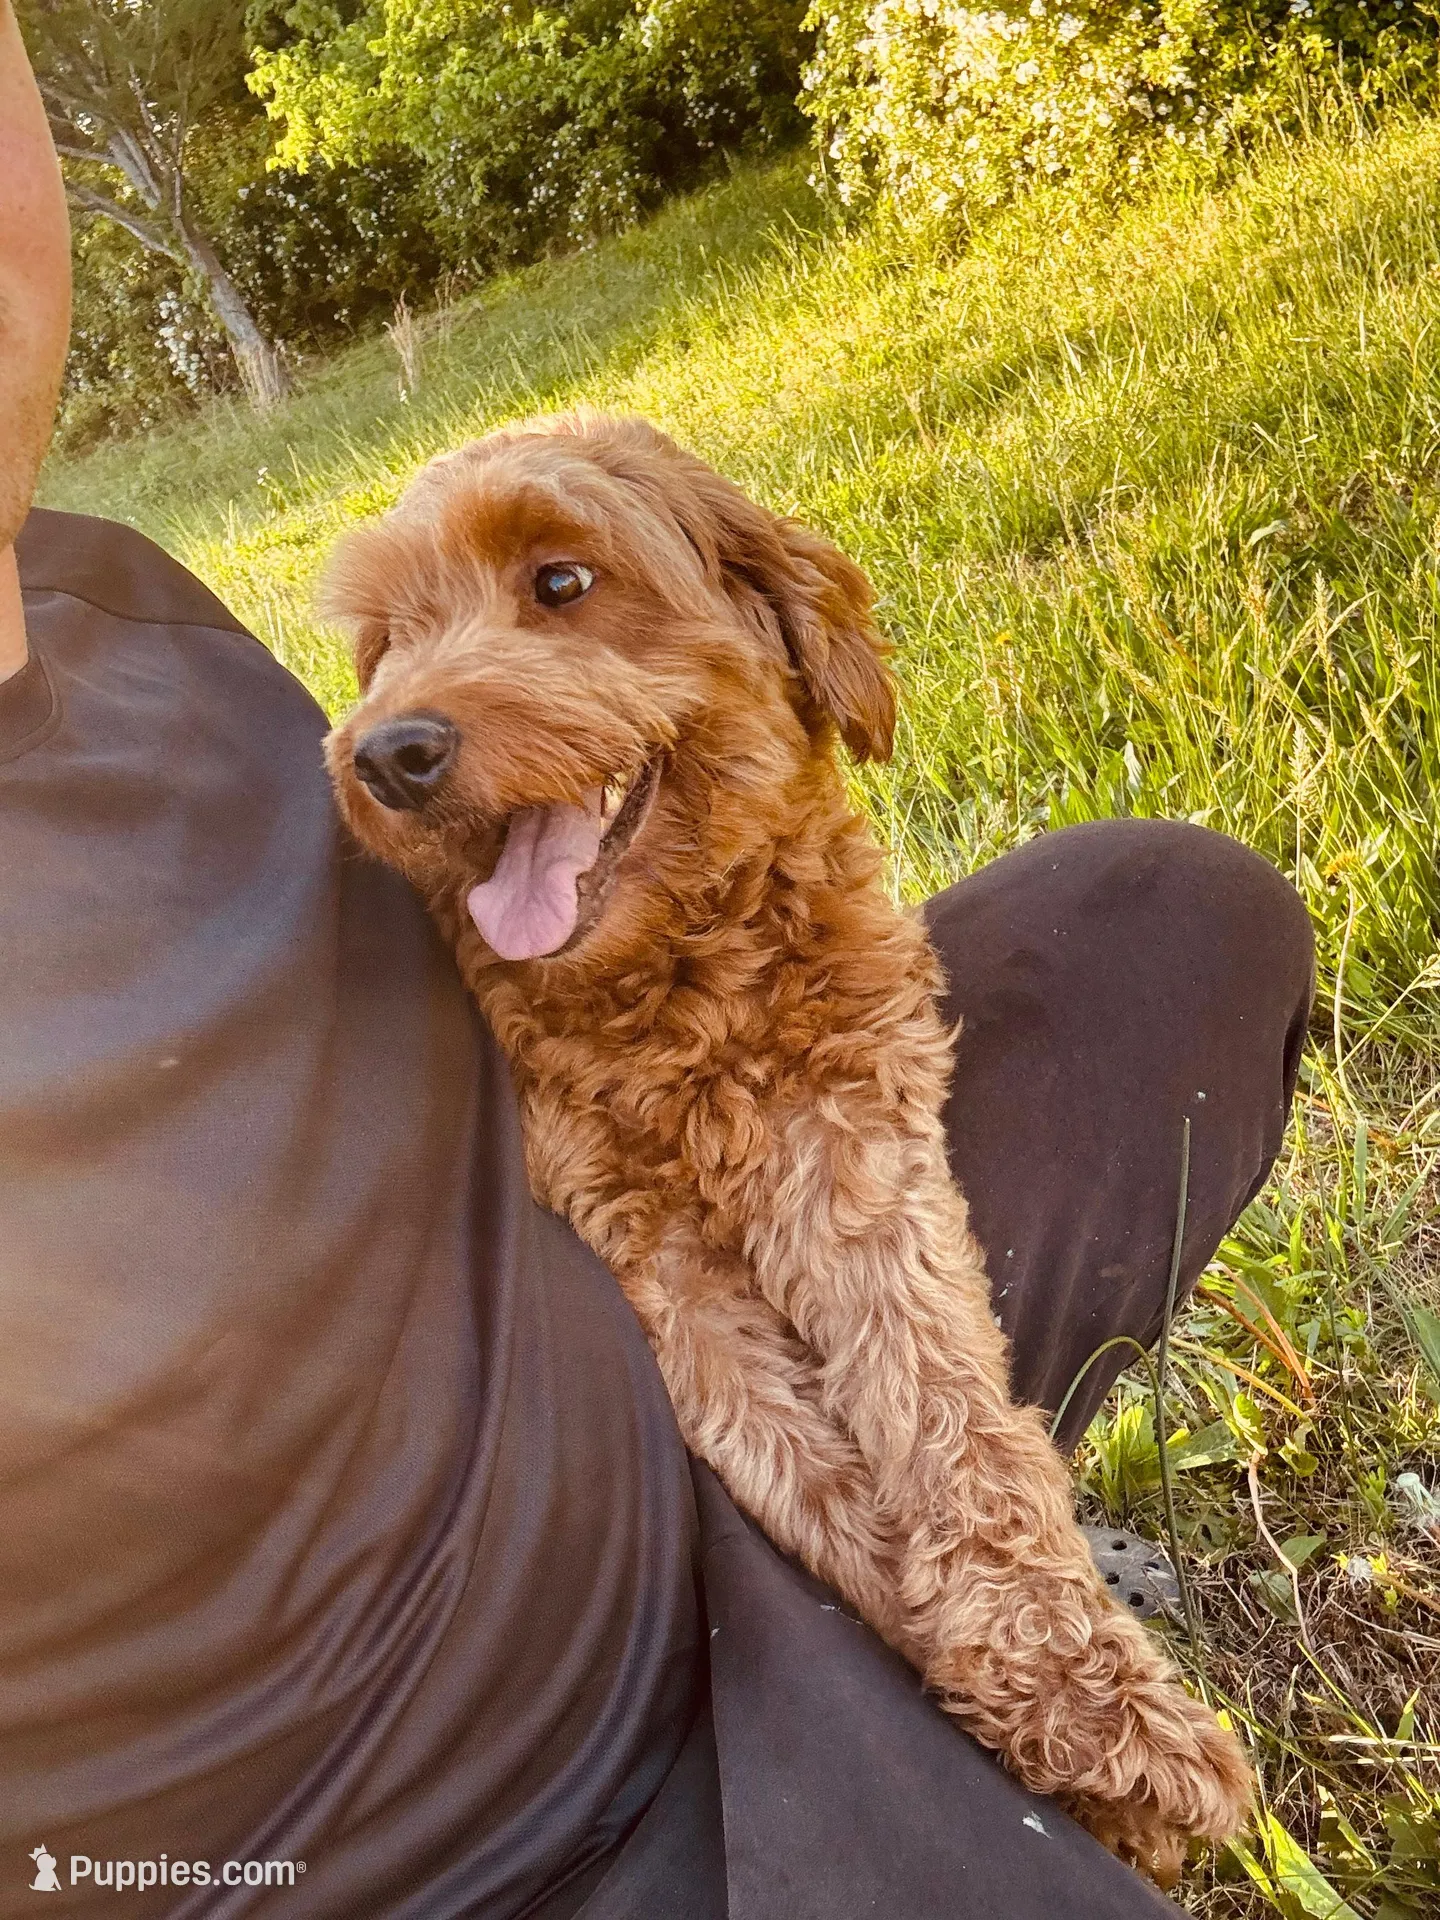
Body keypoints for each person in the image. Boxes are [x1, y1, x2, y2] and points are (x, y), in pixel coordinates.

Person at [0, 6, 1314, 1914]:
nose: (398, 720)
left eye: (555, 588)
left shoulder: (133, 615)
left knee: (1165, 918)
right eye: (387, 655)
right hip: (413, 1839)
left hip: (603, 1433)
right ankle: (883, 1653)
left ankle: (898, 1594)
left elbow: (828, 1147)